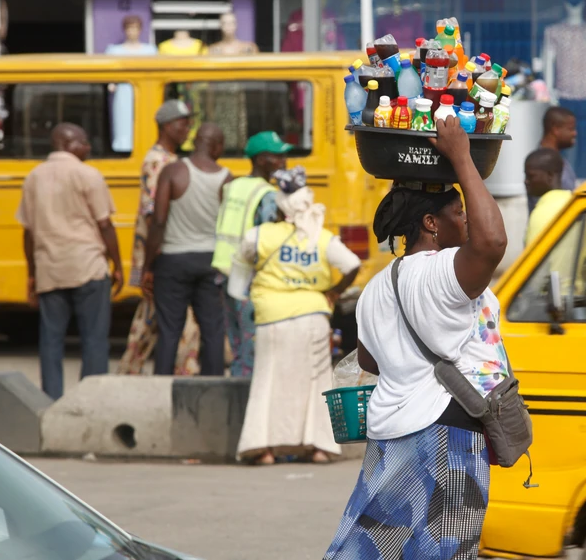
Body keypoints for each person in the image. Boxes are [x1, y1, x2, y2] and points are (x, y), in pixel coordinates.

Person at [325, 118, 509, 559]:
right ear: (431, 222)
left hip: (389, 434)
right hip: (444, 431)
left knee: (374, 549)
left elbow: (370, 361)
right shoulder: (440, 272)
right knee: (444, 550)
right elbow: (492, 242)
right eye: (457, 212)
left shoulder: (377, 286)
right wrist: (462, 156)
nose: (465, 220)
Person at [236, 167, 361, 465]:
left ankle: (263, 449)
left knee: (268, 381)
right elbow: (353, 264)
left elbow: (237, 273)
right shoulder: (322, 237)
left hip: (271, 318)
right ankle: (318, 447)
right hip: (313, 317)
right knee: (316, 384)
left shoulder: (259, 235)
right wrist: (333, 292)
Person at [16, 123, 123, 400]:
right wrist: (118, 265)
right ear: (68, 143)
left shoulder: (33, 177)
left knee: (51, 341)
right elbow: (105, 224)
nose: (88, 147)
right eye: (84, 142)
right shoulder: (88, 175)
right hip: (87, 266)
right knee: (94, 340)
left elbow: (27, 232)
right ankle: (91, 401)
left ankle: (49, 401)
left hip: (49, 269)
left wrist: (32, 273)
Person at [118, 100, 203, 376]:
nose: (188, 128)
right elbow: (156, 215)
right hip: (160, 254)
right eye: (183, 123)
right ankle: (183, 378)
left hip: (162, 255)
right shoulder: (157, 162)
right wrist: (151, 265)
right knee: (180, 323)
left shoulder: (170, 160)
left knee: (151, 319)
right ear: (167, 126)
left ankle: (128, 375)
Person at [142, 123, 231, 376]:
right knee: (213, 330)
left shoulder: (173, 171)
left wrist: (148, 266)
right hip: (210, 261)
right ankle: (213, 392)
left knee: (169, 330)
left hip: (173, 261)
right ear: (216, 145)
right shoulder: (226, 178)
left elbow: (158, 222)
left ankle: (161, 392)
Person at [212, 131, 292, 377]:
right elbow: (269, 238)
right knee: (251, 345)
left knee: (236, 343)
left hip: (225, 273)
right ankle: (248, 401)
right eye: (276, 156)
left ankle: (236, 394)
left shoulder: (232, 186)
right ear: (260, 160)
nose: (282, 161)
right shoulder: (266, 194)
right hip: (249, 279)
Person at [527, 106, 579, 212]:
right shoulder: (540, 164)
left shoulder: (558, 158)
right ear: (555, 129)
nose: (575, 133)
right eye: (571, 129)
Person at [525, 148, 571, 246]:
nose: (526, 181)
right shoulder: (575, 205)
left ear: (550, 175)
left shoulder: (541, 213)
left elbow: (534, 259)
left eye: (530, 176)